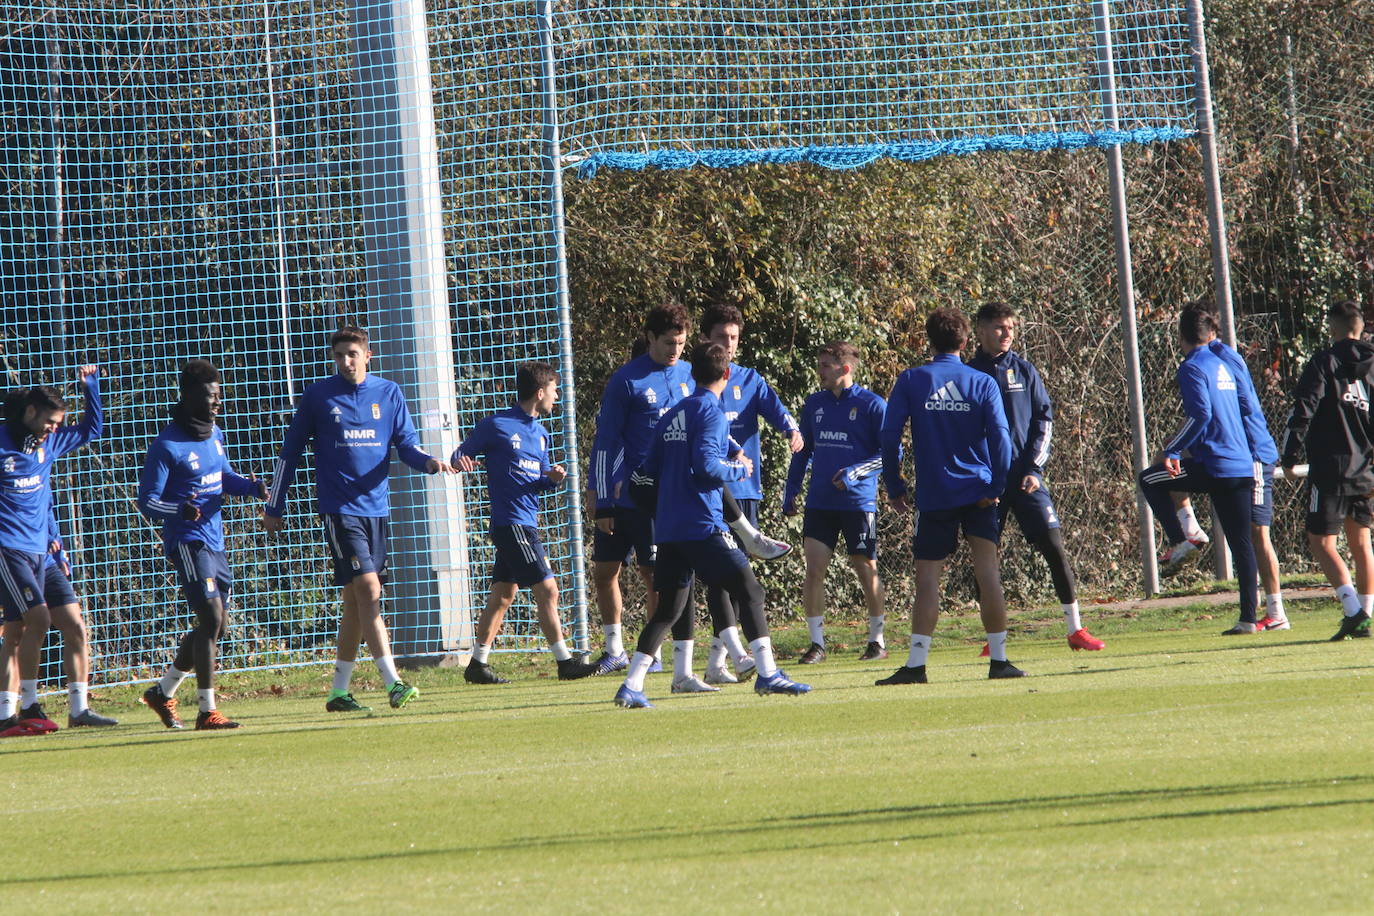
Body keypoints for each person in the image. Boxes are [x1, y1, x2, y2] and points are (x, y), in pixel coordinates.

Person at [262, 327, 455, 713]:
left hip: (377, 512)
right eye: (339, 356)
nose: (346, 362)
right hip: (340, 510)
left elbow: (407, 447)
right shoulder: (319, 396)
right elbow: (290, 453)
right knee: (369, 590)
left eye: (352, 354)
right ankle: (394, 683)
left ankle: (338, 691)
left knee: (354, 601)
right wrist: (274, 504)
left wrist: (430, 463)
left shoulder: (389, 393)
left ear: (369, 356)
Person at [613, 343, 810, 708]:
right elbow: (706, 466)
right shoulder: (712, 412)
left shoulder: (673, 414)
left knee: (669, 609)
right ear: (726, 374)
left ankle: (631, 685)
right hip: (702, 525)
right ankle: (768, 675)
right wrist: (739, 469)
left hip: (670, 529)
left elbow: (645, 472)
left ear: (693, 374)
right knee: (750, 590)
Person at [877, 308, 1024, 684]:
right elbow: (1001, 440)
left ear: (930, 341)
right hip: (977, 491)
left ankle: (916, 665)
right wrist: (995, 487)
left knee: (927, 579)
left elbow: (889, 436)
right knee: (987, 573)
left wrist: (894, 485)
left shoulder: (912, 380)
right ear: (965, 342)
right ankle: (1000, 661)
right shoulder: (982, 382)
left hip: (936, 494)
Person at [968, 302, 1104, 651]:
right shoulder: (968, 375)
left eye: (1011, 326)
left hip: (1025, 479)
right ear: (980, 331)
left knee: (1054, 546)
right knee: (985, 559)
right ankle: (992, 639)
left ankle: (1075, 630)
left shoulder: (1025, 371)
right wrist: (979, 479)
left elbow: (1044, 420)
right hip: (985, 485)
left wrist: (1033, 469)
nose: (1007, 333)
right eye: (999, 327)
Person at [138, 360, 266, 730]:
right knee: (211, 617)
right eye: (212, 396)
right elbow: (147, 499)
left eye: (219, 395)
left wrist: (251, 487)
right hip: (188, 542)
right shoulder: (167, 445)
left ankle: (162, 692)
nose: (218, 403)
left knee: (216, 627)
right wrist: (180, 509)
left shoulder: (214, 433)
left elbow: (223, 477)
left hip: (215, 541)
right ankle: (207, 711)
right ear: (191, 396)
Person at [452, 362, 597, 683]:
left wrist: (553, 479)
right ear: (540, 392)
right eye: (555, 391)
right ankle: (565, 662)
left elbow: (538, 480)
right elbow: (461, 452)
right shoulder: (496, 425)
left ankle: (477, 665)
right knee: (548, 589)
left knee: (503, 595)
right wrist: (459, 459)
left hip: (526, 522)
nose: (557, 398)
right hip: (511, 524)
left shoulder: (541, 433)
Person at [1138, 305, 1260, 634]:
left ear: (1181, 336)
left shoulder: (1192, 367)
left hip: (1216, 465)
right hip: (1240, 462)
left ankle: (1182, 540)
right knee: (1242, 543)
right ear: (1210, 333)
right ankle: (1249, 619)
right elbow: (1244, 407)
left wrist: (1174, 448)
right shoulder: (1224, 363)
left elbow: (1200, 415)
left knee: (1150, 478)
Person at [586, 305, 694, 675]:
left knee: (655, 574)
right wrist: (601, 500)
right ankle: (614, 649)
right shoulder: (626, 381)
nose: (675, 349)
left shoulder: (689, 376)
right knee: (604, 571)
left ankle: (654, 652)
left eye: (680, 342)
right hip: (624, 495)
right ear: (649, 338)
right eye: (668, 342)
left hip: (664, 498)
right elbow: (606, 442)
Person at [698, 304, 802, 684]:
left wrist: (792, 430)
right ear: (706, 338)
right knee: (723, 576)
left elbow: (779, 412)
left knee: (738, 577)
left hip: (744, 491)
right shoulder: (694, 384)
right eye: (722, 336)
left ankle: (716, 662)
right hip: (709, 492)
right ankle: (738, 659)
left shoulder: (749, 379)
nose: (728, 343)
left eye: (734, 337)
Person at [0, 367, 101, 736]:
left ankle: (76, 709)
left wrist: (91, 388)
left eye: (59, 424)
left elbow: (91, 431)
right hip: (9, 551)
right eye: (50, 421)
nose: (54, 429)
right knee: (34, 622)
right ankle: (27, 706)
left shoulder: (49, 444)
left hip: (43, 553)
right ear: (30, 413)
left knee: (63, 625)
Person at [1168, 329, 1287, 630]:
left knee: (1257, 533)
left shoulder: (1224, 358)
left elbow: (1245, 403)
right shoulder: (1208, 359)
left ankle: (1276, 612)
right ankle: (1190, 530)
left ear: (1210, 332)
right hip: (1227, 452)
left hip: (1253, 455)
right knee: (1166, 467)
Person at [783, 341, 888, 663]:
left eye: (826, 365)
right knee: (814, 569)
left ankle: (877, 641)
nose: (820, 371)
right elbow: (803, 452)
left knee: (865, 567)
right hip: (820, 503)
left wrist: (856, 472)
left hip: (858, 504)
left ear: (845, 369)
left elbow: (887, 455)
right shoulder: (814, 404)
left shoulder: (872, 405)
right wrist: (791, 491)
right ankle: (817, 644)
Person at [1279, 300, 1374, 641]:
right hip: (1365, 469)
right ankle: (1366, 613)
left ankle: (1353, 611)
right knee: (1362, 541)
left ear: (1333, 328)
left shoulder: (1324, 361)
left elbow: (1303, 407)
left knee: (1321, 541)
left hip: (1331, 468)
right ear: (1360, 328)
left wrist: (1289, 455)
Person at [42, 509, 118, 727]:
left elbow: (47, 515)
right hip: (16, 556)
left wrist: (59, 554)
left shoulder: (42, 475)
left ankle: (79, 710)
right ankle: (12, 710)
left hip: (47, 563)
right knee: (19, 631)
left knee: (76, 628)